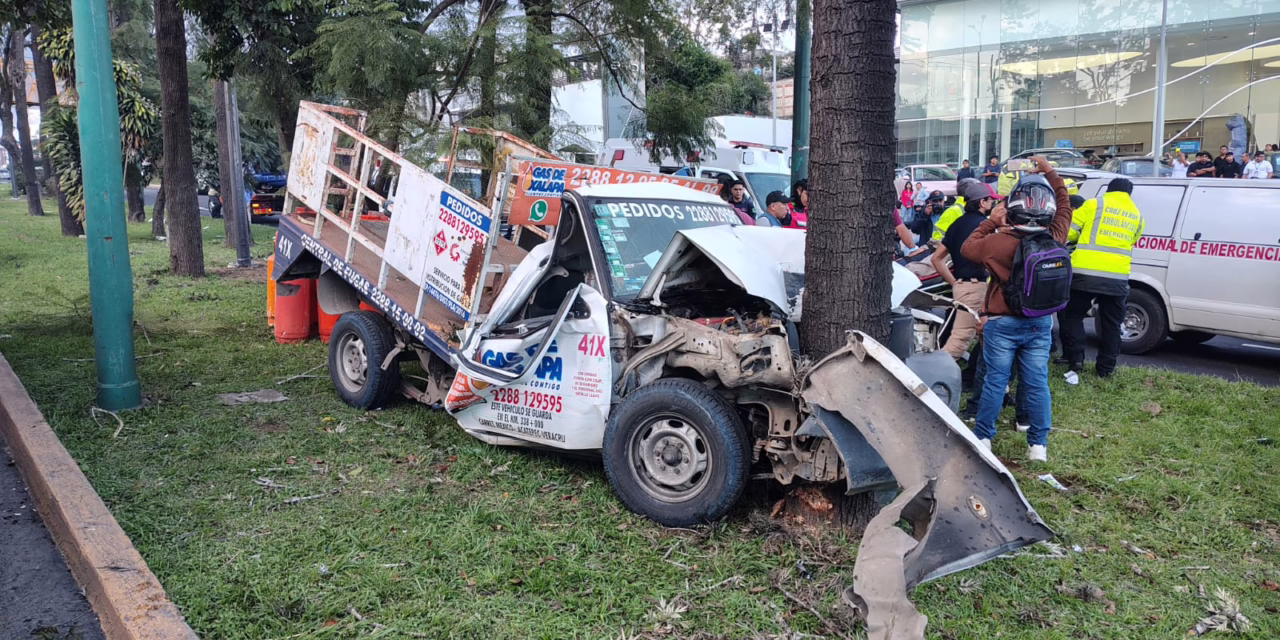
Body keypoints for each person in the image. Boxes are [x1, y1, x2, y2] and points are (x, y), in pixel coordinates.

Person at [961, 156, 1072, 462]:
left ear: (1012, 209)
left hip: (1002, 323)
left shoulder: (997, 243)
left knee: (996, 381)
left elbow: (968, 248)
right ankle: (1038, 446)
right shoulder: (1056, 238)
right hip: (1040, 323)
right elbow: (1066, 205)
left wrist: (991, 222)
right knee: (1037, 382)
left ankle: (983, 437)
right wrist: (1049, 170)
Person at [1061, 177, 1145, 380]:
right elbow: (1134, 239)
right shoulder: (1137, 215)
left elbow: (1069, 231)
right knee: (1111, 324)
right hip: (1117, 278)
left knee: (1072, 315)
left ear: (1109, 190)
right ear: (1129, 194)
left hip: (1085, 273)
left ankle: (1076, 359)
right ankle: (1106, 369)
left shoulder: (1094, 204)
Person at [931, 179, 996, 359]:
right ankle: (935, 377)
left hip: (962, 286)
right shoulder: (985, 226)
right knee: (960, 340)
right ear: (982, 202)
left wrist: (954, 283)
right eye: (991, 200)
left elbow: (936, 259)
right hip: (976, 287)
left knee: (987, 336)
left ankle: (985, 379)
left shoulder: (957, 224)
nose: (993, 204)